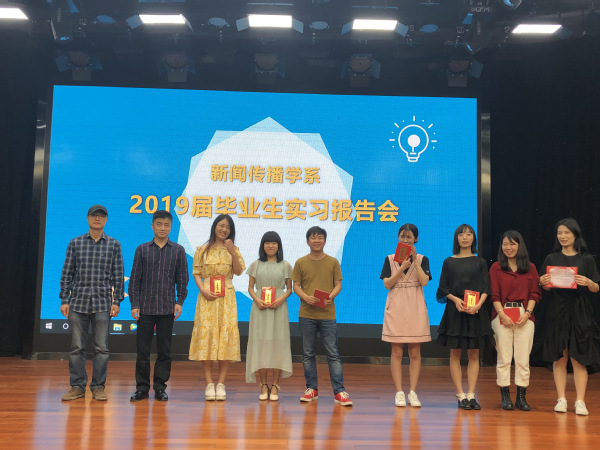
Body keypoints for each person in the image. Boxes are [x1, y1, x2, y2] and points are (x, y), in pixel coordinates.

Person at [59, 204, 124, 401]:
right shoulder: (75, 243)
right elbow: (67, 273)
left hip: (103, 303)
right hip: (77, 303)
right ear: (87, 218)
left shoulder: (114, 244)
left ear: (106, 220)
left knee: (101, 348)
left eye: (101, 216)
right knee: (76, 348)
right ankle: (77, 386)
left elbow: (118, 275)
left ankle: (98, 387)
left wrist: (117, 301)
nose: (97, 219)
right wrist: (64, 299)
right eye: (94, 215)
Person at [539, 218, 600, 416]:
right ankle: (561, 399)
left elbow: (596, 287)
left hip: (580, 311)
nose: (563, 236)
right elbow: (545, 287)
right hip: (557, 310)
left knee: (579, 358)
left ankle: (580, 401)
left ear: (575, 234)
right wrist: (543, 282)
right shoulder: (551, 258)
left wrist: (588, 282)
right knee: (560, 356)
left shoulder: (586, 259)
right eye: (560, 233)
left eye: (566, 232)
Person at [128, 210, 189, 402]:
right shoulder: (142, 249)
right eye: (159, 224)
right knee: (143, 351)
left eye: (167, 225)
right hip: (145, 308)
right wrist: (134, 303)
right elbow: (135, 280)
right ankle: (142, 389)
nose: (163, 228)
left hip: (167, 308)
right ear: (152, 226)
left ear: (171, 227)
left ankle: (160, 388)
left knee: (164, 351)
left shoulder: (178, 250)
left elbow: (182, 279)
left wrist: (179, 301)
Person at [292, 226, 353, 406]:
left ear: (325, 241)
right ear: (307, 241)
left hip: (328, 315)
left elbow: (338, 284)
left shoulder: (333, 262)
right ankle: (311, 389)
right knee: (308, 354)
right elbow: (296, 286)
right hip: (306, 314)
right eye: (313, 237)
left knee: (333, 354)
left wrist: (331, 296)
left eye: (320, 237)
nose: (316, 240)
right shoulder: (300, 262)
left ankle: (339, 392)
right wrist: (305, 297)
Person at [436, 224, 493, 410]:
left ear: (473, 238)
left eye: (469, 234)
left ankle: (471, 394)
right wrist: (454, 300)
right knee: (455, 352)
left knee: (474, 353)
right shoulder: (449, 262)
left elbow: (486, 287)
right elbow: (443, 287)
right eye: (461, 234)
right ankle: (460, 394)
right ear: (456, 238)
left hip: (475, 311)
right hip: (455, 311)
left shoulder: (480, 262)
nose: (465, 237)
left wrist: (478, 305)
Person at [189, 214, 245, 401]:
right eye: (221, 225)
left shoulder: (234, 249)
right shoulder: (202, 250)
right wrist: (203, 289)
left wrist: (232, 251)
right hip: (207, 297)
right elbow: (197, 272)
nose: (224, 230)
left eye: (228, 227)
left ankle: (221, 384)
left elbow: (238, 271)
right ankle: (208, 384)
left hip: (226, 298)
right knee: (207, 337)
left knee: (224, 339)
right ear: (214, 227)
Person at [488, 230, 541, 411]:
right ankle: (505, 396)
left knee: (522, 359)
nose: (508, 247)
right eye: (505, 244)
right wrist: (502, 314)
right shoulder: (496, 267)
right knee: (503, 358)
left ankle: (521, 397)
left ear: (520, 246)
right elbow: (494, 294)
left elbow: (535, 293)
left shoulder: (531, 268)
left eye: (512, 244)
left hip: (525, 315)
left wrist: (527, 313)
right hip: (501, 314)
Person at [380, 223, 432, 408]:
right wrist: (402, 267)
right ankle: (399, 392)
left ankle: (413, 392)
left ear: (416, 239)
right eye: (402, 236)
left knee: (415, 352)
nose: (405, 240)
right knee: (396, 352)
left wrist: (415, 262)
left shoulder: (423, 259)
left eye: (409, 237)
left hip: (415, 307)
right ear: (398, 237)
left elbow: (424, 282)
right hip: (396, 307)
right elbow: (387, 284)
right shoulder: (389, 259)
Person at [246, 231, 293, 401]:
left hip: (279, 308)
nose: (270, 245)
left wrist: (280, 299)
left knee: (278, 344)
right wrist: (257, 300)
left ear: (278, 245)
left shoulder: (285, 265)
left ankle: (275, 386)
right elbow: (250, 287)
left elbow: (289, 289)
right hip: (260, 308)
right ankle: (263, 385)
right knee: (260, 344)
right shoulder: (256, 264)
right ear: (262, 245)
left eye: (274, 242)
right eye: (267, 242)